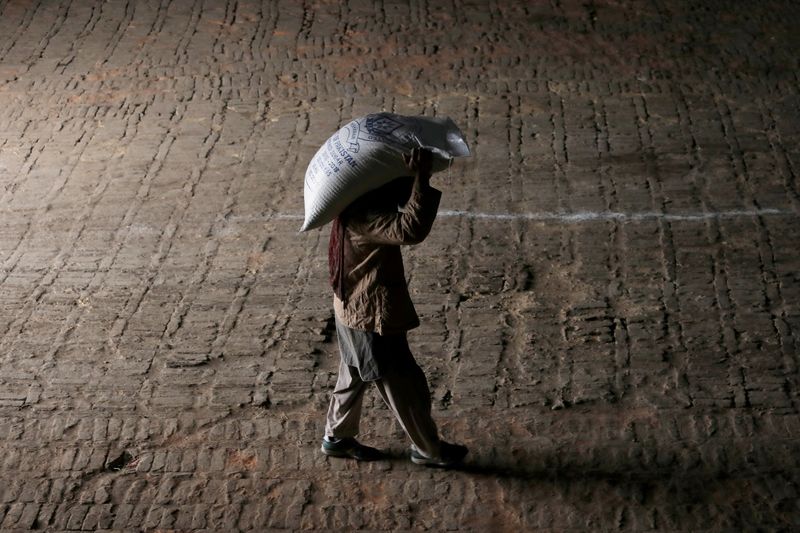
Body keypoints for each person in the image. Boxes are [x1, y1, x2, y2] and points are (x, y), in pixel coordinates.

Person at [320, 147, 468, 468]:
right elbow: (410, 228)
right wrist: (421, 177)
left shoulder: (353, 204)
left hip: (350, 311)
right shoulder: (367, 216)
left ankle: (336, 437)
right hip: (370, 317)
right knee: (404, 385)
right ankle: (428, 450)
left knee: (355, 373)